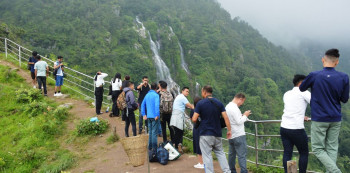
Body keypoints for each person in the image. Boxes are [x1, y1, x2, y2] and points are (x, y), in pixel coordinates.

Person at [299, 49, 349, 173]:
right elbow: (344, 99)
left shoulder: (314, 75)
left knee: (317, 149)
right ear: (336, 62)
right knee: (332, 149)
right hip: (335, 118)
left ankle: (336, 171)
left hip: (319, 118)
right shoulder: (344, 77)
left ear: (323, 60)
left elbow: (301, 88)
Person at [192, 85, 231, 173]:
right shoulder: (219, 103)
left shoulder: (200, 103)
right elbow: (226, 117)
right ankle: (227, 171)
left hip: (205, 134)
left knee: (207, 155)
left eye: (202, 92)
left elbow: (194, 118)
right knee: (220, 153)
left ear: (204, 92)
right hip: (217, 133)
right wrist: (229, 130)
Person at [280, 75, 311, 173]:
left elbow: (292, 108)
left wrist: (301, 116)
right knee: (304, 153)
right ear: (301, 83)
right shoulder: (304, 92)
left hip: (284, 127)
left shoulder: (287, 93)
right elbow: (316, 103)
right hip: (296, 128)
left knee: (287, 153)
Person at [226, 93, 252, 173]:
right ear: (240, 99)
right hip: (239, 135)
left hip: (231, 134)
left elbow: (233, 119)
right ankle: (244, 171)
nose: (242, 103)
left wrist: (242, 115)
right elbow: (238, 121)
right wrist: (246, 115)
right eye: (242, 101)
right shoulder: (235, 108)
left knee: (231, 155)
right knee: (242, 156)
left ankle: (232, 171)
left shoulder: (227, 106)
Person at [170, 87, 194, 153]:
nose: (187, 93)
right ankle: (177, 147)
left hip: (175, 116)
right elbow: (190, 106)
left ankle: (175, 147)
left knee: (177, 132)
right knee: (179, 132)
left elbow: (186, 106)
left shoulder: (179, 96)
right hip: (178, 116)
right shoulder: (182, 97)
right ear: (182, 91)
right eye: (186, 91)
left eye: (188, 92)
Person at [141, 83, 160, 150]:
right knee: (154, 133)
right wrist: (157, 115)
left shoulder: (147, 95)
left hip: (148, 116)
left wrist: (144, 114)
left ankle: (150, 147)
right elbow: (157, 105)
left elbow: (142, 104)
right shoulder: (156, 95)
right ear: (156, 88)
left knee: (150, 132)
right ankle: (155, 148)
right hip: (154, 117)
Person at [189, 97, 204, 169]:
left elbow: (192, 119)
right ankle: (204, 162)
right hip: (204, 129)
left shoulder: (194, 110)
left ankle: (201, 163)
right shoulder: (204, 110)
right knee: (204, 145)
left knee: (198, 145)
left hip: (197, 129)